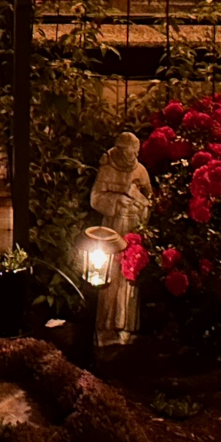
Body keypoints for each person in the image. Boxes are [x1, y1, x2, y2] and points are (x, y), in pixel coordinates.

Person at [89, 132, 152, 346]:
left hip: (133, 229)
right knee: (111, 274)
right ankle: (107, 327)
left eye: (135, 152)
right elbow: (96, 198)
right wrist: (118, 201)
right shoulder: (108, 169)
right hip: (113, 228)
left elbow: (149, 199)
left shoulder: (140, 171)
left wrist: (139, 205)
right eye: (128, 152)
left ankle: (126, 327)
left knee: (129, 276)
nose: (132, 156)